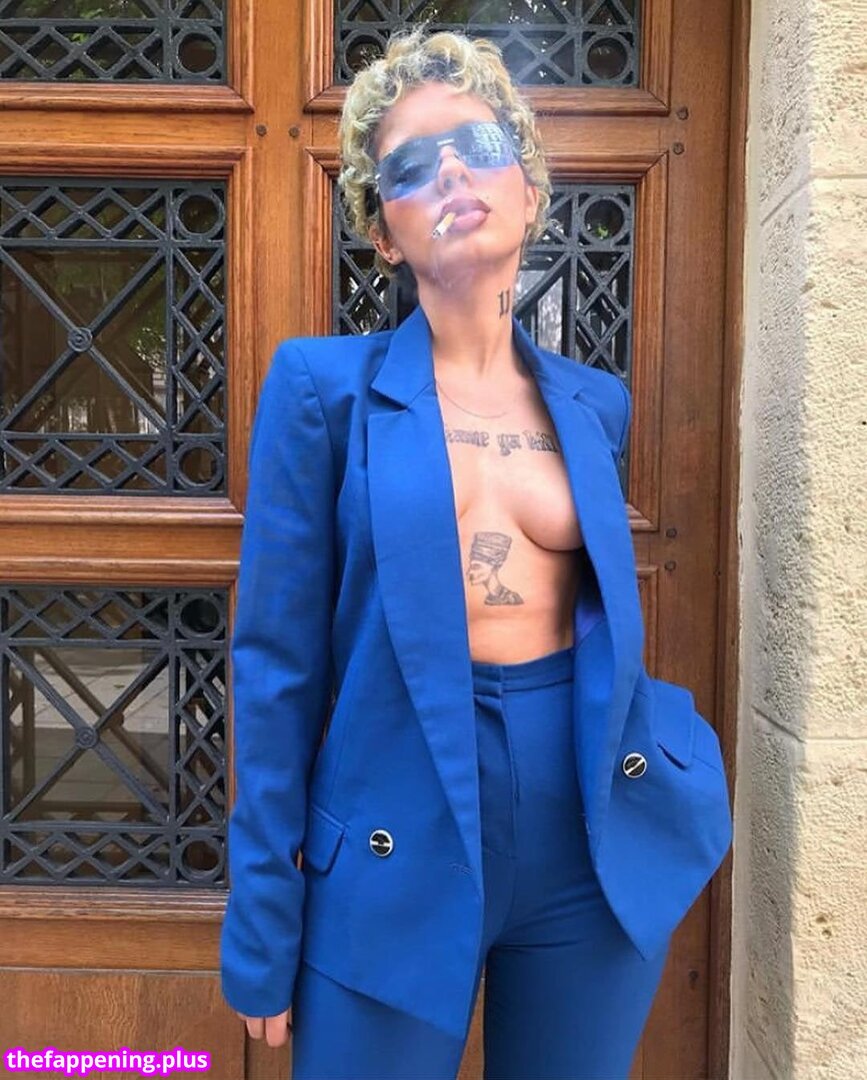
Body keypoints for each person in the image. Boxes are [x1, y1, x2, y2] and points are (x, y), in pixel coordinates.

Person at [219, 25, 733, 1080]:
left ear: (529, 193)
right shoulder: (322, 391)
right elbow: (276, 666)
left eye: (479, 146)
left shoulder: (594, 404)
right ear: (384, 235)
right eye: (410, 166)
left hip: (588, 835)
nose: (450, 172)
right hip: (392, 833)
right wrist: (264, 918)